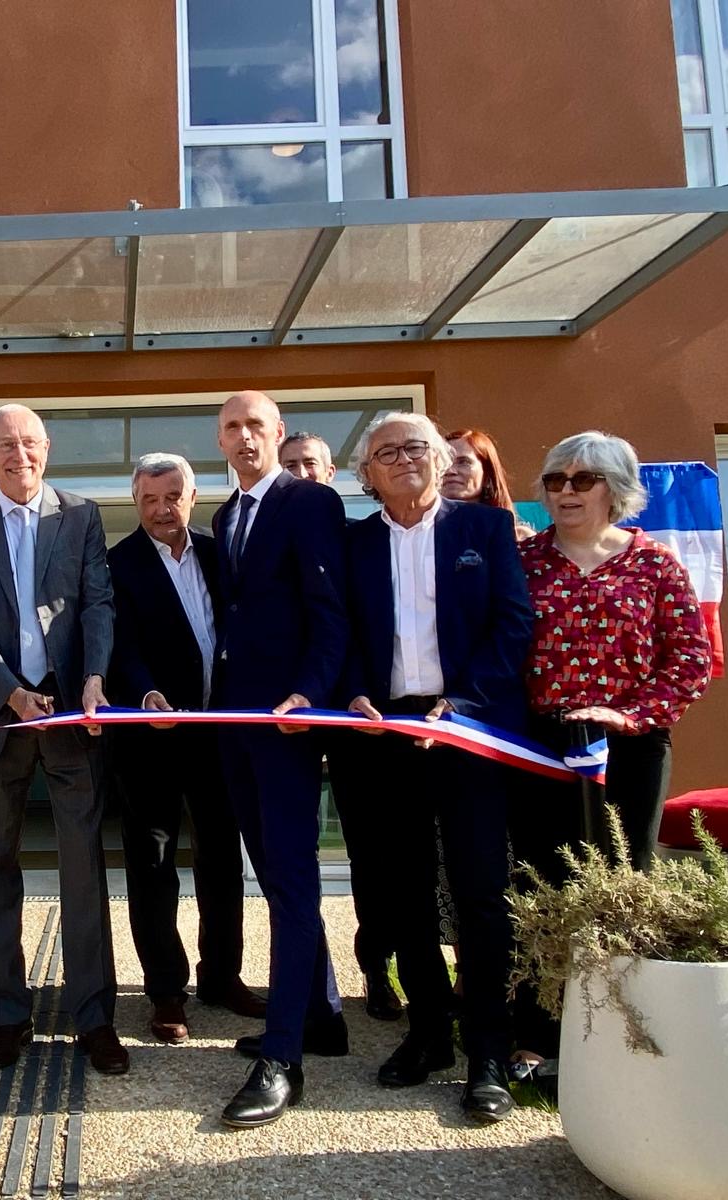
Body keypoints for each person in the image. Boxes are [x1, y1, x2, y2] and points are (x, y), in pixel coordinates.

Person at [340, 411, 533, 1123]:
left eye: (415, 447)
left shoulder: (485, 529)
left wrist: (465, 701)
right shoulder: (355, 541)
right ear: (369, 474)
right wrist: (352, 689)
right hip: (386, 731)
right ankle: (428, 1033)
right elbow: (339, 630)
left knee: (481, 893)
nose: (403, 460)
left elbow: (513, 623)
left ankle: (488, 1051)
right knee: (405, 894)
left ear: (440, 459)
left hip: (466, 728)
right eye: (386, 452)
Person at [510, 432, 715, 1069]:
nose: (566, 491)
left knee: (623, 881)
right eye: (555, 480)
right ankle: (538, 1035)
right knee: (542, 880)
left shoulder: (655, 564)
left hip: (629, 745)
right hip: (540, 745)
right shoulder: (522, 562)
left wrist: (629, 714)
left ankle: (622, 1035)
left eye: (583, 479)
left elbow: (691, 659)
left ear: (616, 489)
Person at [0, 403, 126, 1076]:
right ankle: (8, 1017)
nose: (19, 454)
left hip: (72, 712)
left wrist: (95, 679)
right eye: (5, 445)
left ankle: (95, 1019)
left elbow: (98, 602)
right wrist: (10, 693)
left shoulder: (81, 516)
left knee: (84, 868)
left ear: (46, 449)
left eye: (29, 443)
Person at [209, 391, 348, 1129]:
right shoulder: (225, 516)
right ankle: (321, 1016)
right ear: (220, 441)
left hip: (287, 723)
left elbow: (330, 614)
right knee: (272, 878)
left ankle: (283, 1058)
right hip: (236, 723)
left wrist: (311, 694)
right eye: (231, 427)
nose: (244, 437)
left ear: (278, 432)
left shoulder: (308, 502)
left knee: (293, 887)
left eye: (255, 425)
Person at [106, 452, 265, 1045]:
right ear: (135, 502)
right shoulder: (117, 564)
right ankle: (166, 991)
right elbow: (119, 645)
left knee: (222, 858)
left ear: (192, 497)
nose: (161, 510)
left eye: (171, 497)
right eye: (148, 500)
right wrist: (145, 693)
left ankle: (222, 976)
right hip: (151, 736)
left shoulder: (220, 555)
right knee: (153, 865)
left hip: (218, 733)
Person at [279, 432, 405, 1023]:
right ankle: (313, 983)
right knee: (296, 854)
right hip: (292, 717)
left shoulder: (359, 540)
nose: (301, 473)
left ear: (332, 473)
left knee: (373, 852)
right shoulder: (270, 541)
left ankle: (377, 965)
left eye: (310, 464)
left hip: (359, 716)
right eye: (290, 467)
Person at [443, 428, 535, 538]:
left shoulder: (519, 538)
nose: (450, 470)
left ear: (487, 475)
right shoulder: (427, 534)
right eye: (444, 462)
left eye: (463, 462)